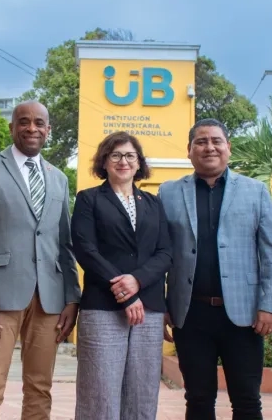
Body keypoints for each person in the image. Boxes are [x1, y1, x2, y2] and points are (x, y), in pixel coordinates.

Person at [0, 100, 81, 420]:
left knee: (40, 387)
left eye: (39, 123)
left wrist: (71, 298)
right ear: (11, 127)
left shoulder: (58, 178)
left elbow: (63, 243)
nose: (31, 128)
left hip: (49, 298)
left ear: (48, 130)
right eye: (23, 122)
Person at [158, 118, 272, 420]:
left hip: (244, 317)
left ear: (228, 147)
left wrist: (269, 306)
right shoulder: (169, 193)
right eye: (200, 141)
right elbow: (159, 253)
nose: (209, 147)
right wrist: (162, 306)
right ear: (189, 151)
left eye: (216, 140)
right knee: (198, 399)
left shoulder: (255, 192)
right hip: (190, 315)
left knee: (247, 400)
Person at [70, 131, 173, 419]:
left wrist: (137, 280)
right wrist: (125, 291)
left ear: (139, 163)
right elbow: (86, 249)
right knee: (99, 394)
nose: (123, 161)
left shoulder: (153, 202)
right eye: (115, 155)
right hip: (103, 306)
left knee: (142, 394)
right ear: (104, 161)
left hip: (148, 308)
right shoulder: (89, 199)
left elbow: (165, 251)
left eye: (130, 155)